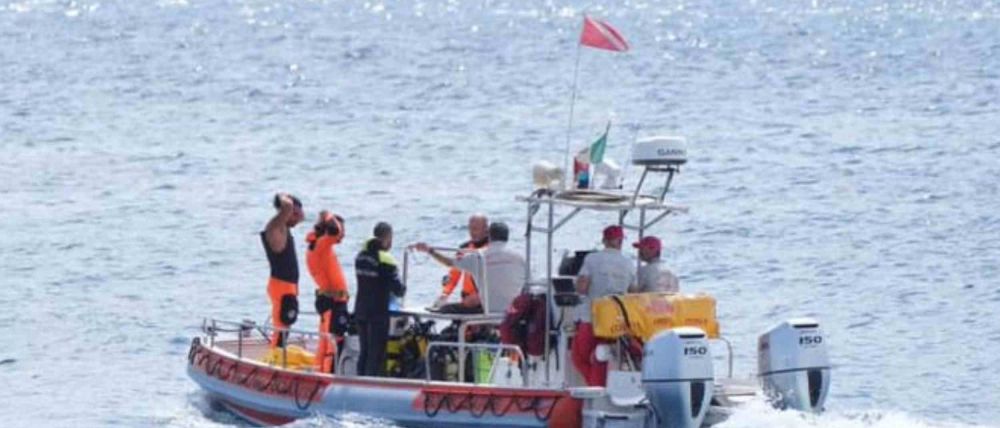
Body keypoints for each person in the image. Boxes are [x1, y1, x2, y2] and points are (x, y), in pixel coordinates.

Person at [572, 225, 636, 387]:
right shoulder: (628, 263)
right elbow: (633, 292)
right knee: (602, 357)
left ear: (604, 240)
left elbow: (582, 287)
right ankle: (600, 386)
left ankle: (595, 387)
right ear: (620, 241)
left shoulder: (592, 259)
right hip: (618, 321)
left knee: (579, 357)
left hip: (592, 318)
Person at [415, 222, 526, 314]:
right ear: (507, 237)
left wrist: (430, 251)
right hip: (512, 312)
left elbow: (448, 262)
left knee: (446, 309)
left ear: (489, 236)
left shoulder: (478, 256)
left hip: (485, 310)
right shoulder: (520, 258)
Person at [354, 222, 406, 377]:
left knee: (364, 352)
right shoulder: (385, 259)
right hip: (377, 313)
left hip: (360, 310)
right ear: (387, 238)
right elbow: (399, 290)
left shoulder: (361, 256)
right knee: (375, 355)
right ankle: (372, 385)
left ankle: (359, 383)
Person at [306, 211, 350, 373]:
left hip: (331, 301)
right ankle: (327, 375)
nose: (343, 235)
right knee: (332, 344)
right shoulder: (322, 245)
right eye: (342, 230)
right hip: (333, 303)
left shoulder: (320, 246)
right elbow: (335, 231)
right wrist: (328, 216)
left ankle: (321, 372)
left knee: (325, 343)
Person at [262, 193, 305, 348]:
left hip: (287, 286)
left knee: (285, 326)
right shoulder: (275, 227)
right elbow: (286, 205)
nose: (300, 219)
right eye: (297, 215)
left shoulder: (283, 229)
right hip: (281, 286)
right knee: (281, 327)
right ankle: (275, 355)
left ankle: (278, 352)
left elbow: (291, 210)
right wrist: (283, 197)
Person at [433, 214, 489, 310]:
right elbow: (454, 274)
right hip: (467, 300)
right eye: (470, 229)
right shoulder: (464, 249)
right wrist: (445, 293)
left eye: (475, 229)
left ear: (486, 229)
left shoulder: (493, 250)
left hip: (486, 299)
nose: (472, 233)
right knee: (443, 309)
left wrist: (480, 295)